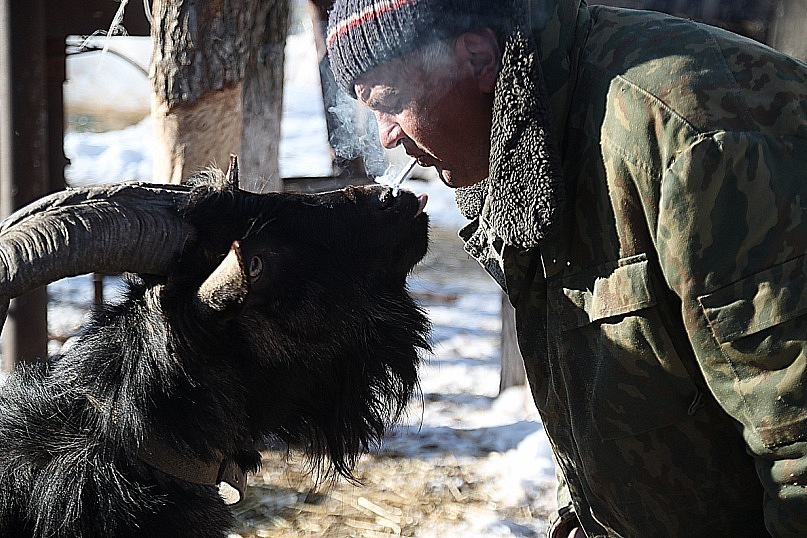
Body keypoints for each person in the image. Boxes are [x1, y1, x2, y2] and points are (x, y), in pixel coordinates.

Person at [326, 0, 807, 536]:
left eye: (390, 102)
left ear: (479, 58)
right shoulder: (530, 136)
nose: (387, 136)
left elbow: (798, 444)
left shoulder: (697, 141)